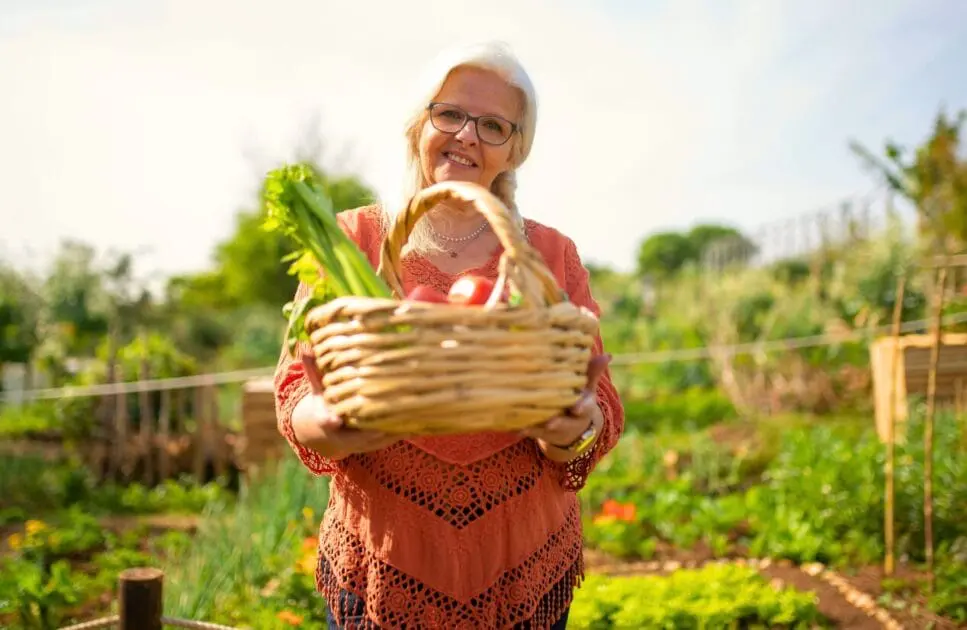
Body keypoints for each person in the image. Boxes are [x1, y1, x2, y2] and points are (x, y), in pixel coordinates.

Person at [274, 41, 624, 630]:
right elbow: (291, 389)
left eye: (493, 125)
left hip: (523, 561)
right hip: (381, 561)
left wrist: (569, 433)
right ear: (419, 123)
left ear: (516, 148)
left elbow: (600, 405)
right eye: (451, 114)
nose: (467, 135)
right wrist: (327, 423)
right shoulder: (351, 240)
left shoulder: (549, 254)